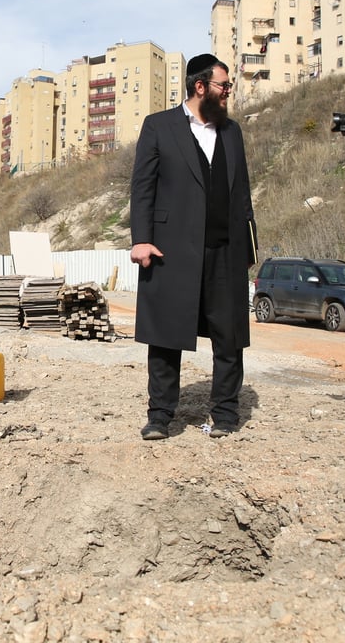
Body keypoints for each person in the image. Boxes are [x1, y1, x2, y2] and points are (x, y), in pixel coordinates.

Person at [130, 54, 257, 440]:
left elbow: (244, 194)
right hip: (171, 249)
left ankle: (225, 413)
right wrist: (141, 240)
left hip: (226, 249)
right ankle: (160, 416)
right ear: (200, 87)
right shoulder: (159, 126)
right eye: (224, 85)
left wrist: (249, 249)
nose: (228, 91)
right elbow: (143, 187)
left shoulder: (231, 131)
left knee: (229, 336)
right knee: (166, 335)